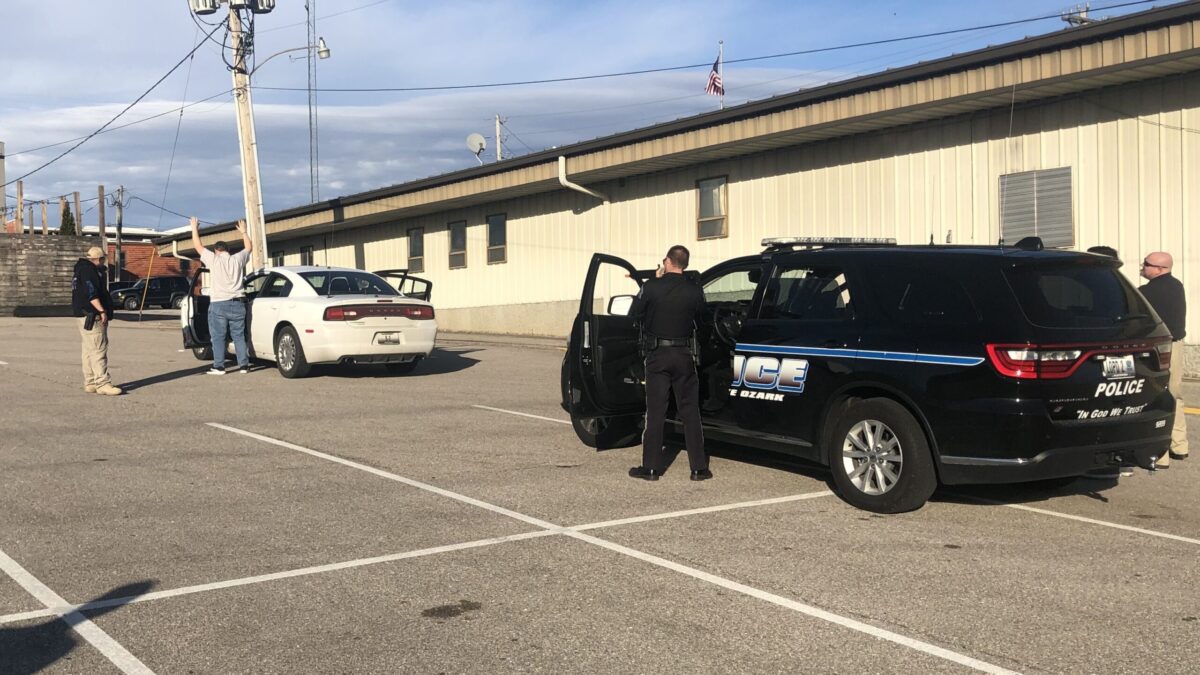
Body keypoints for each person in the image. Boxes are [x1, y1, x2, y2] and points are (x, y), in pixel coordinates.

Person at [627, 245, 711, 481]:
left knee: (655, 411)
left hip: (658, 355)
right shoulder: (695, 290)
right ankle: (698, 468)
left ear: (668, 261)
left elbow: (635, 314)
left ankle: (651, 468)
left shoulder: (651, 287)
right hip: (684, 354)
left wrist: (652, 283)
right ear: (683, 263)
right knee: (690, 411)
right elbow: (703, 320)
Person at [1139, 251, 1188, 468]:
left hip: (1158, 349)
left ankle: (1160, 454)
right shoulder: (1177, 286)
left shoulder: (1146, 292)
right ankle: (1180, 445)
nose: (1142, 266)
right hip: (1177, 345)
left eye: (1147, 264)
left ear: (1160, 269)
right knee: (1175, 394)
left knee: (1158, 395)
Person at [190, 216, 253, 375]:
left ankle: (219, 366)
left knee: (218, 336)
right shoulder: (237, 259)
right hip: (238, 303)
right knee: (238, 335)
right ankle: (244, 365)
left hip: (219, 304)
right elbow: (249, 247)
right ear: (228, 251)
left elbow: (198, 246)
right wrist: (244, 232)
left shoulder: (214, 260)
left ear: (216, 251)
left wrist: (194, 228)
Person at [71, 246, 122, 395]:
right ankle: (103, 383)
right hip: (93, 316)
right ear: (98, 259)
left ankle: (91, 381)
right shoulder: (90, 271)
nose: (103, 263)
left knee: (88, 350)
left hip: (82, 315)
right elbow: (91, 292)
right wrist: (102, 311)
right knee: (99, 349)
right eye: (103, 259)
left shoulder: (79, 270)